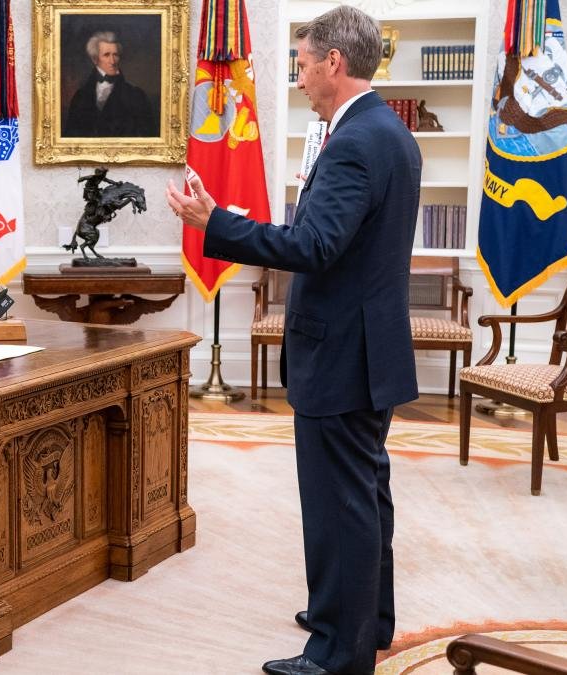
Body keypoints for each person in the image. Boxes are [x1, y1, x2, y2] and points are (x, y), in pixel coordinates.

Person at [169, 6, 420, 675]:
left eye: (304, 64)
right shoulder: (388, 131)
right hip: (369, 348)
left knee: (341, 503)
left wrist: (215, 223)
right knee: (365, 492)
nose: (299, 77)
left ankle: (338, 653)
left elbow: (313, 246)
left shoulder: (356, 142)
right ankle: (367, 620)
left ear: (334, 62)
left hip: (342, 354)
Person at [62, 31, 156, 137]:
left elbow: (147, 136)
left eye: (115, 55)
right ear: (94, 59)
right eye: (106, 55)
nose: (112, 61)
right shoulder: (80, 96)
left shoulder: (136, 95)